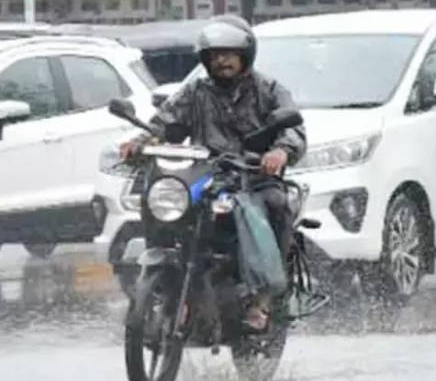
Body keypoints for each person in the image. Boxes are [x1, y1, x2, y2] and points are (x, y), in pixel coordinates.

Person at [120, 17, 306, 330]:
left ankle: (263, 298)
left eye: (229, 53)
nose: (221, 60)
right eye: (215, 54)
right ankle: (171, 286)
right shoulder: (195, 91)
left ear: (245, 55)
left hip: (253, 176)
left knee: (275, 204)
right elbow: (163, 123)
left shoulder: (269, 90)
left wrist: (279, 152)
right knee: (165, 201)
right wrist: (138, 143)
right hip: (207, 175)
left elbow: (294, 132)